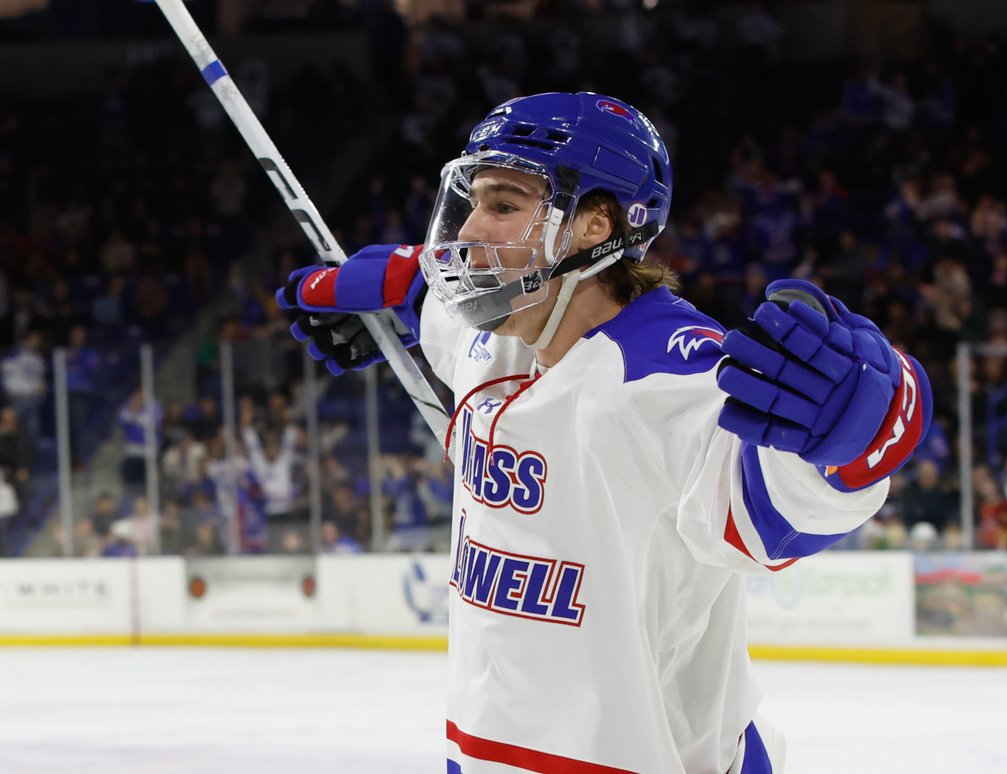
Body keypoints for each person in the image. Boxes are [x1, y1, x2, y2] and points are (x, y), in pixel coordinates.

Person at [277, 92, 931, 772]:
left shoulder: (671, 379)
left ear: (593, 225)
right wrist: (402, 282)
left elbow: (781, 511)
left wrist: (858, 443)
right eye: (471, 201)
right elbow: (432, 301)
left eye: (503, 205)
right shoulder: (498, 337)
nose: (469, 228)